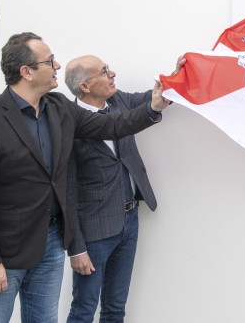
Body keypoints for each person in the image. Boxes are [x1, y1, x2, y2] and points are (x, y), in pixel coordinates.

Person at [0, 32, 172, 323]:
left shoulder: (58, 107)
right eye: (49, 61)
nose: (57, 65)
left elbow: (110, 125)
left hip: (50, 245)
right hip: (5, 254)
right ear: (26, 72)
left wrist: (153, 108)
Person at [63, 54, 183, 322]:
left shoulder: (117, 101)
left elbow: (151, 100)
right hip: (94, 231)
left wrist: (178, 77)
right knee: (84, 309)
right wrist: (76, 247)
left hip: (129, 221)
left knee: (116, 308)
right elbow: (67, 190)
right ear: (85, 86)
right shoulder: (68, 122)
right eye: (104, 71)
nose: (113, 73)